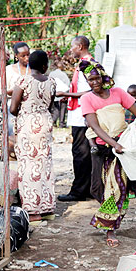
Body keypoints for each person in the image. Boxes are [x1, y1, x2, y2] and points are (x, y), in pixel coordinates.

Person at [79, 59, 136, 247]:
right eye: (89, 80)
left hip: (122, 149)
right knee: (99, 188)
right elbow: (94, 126)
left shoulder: (118, 93)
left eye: (96, 78)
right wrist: (113, 143)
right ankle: (109, 219)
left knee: (117, 189)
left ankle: (110, 228)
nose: (94, 83)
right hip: (102, 150)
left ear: (103, 76)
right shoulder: (87, 99)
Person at [10, 50, 56, 222]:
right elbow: (50, 104)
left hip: (28, 125)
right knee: (44, 164)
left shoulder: (23, 80)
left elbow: (13, 109)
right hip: (45, 123)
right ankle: (47, 207)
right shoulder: (51, 81)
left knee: (28, 166)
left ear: (30, 64)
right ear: (45, 66)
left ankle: (32, 210)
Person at [56, 36, 93, 202]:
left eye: (73, 47)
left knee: (81, 153)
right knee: (83, 153)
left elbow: (90, 91)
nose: (71, 50)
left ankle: (79, 190)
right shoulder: (83, 63)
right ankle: (87, 187)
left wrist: (65, 94)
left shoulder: (87, 64)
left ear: (80, 46)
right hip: (78, 113)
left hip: (82, 115)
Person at [6, 42, 31, 137]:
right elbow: (5, 91)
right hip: (13, 107)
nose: (27, 58)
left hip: (29, 107)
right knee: (13, 135)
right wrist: (17, 90)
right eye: (23, 56)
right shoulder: (9, 70)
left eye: (28, 55)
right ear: (16, 56)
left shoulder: (34, 69)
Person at [49, 59, 70, 128]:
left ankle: (53, 121)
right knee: (63, 109)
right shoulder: (63, 74)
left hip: (54, 94)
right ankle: (61, 123)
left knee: (55, 109)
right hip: (63, 94)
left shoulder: (51, 74)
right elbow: (68, 84)